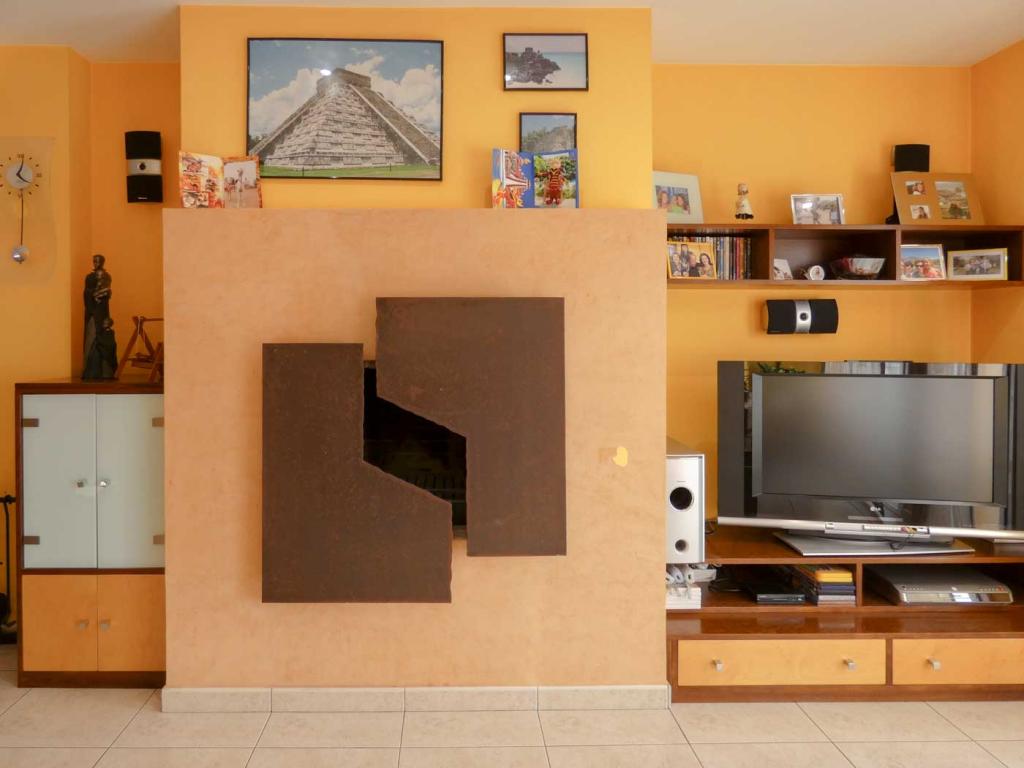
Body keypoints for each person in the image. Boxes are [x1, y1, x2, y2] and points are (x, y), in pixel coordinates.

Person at [82, 254, 118, 380]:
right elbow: (86, 292)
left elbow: (107, 290)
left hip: (102, 310)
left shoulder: (107, 276)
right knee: (91, 336)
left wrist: (102, 293)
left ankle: (106, 371)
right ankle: (90, 371)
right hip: (92, 311)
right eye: (94, 261)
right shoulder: (89, 277)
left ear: (103, 262)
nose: (96, 263)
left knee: (103, 334)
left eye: (98, 261)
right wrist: (93, 294)